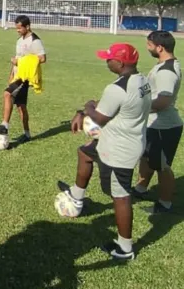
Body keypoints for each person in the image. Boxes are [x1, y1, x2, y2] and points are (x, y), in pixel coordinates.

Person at [57, 43, 151, 261]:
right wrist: (86, 111)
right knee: (85, 153)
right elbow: (116, 106)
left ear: (120, 62)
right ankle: (77, 195)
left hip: (119, 149)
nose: (106, 61)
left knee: (120, 195)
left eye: (109, 58)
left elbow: (99, 118)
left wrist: (87, 107)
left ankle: (125, 248)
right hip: (124, 139)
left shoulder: (116, 89)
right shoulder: (142, 80)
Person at [132, 31, 182, 214]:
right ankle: (140, 189)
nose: (147, 48)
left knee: (162, 166)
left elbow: (163, 102)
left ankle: (165, 203)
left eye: (149, 45)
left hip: (164, 126)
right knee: (146, 157)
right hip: (153, 124)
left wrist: (137, 108)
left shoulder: (167, 72)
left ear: (160, 47)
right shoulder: (163, 65)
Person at [0, 15, 46, 144]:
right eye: (16, 28)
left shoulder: (35, 41)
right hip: (17, 75)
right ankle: (27, 134)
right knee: (21, 106)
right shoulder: (20, 40)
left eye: (19, 28)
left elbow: (42, 58)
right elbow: (17, 59)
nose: (17, 30)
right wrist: (11, 74)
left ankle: (4, 125)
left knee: (7, 94)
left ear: (27, 26)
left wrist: (20, 61)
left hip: (25, 77)